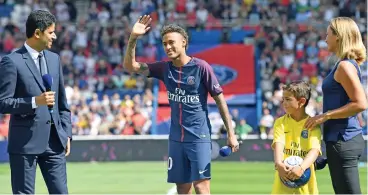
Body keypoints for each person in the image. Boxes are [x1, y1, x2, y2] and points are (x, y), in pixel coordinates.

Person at [123, 15, 239, 194]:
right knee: (182, 188)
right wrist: (133, 38)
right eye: (164, 44)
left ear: (184, 42)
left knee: (201, 186)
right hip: (176, 139)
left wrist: (231, 134)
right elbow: (130, 66)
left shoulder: (201, 67)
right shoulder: (163, 68)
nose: (168, 47)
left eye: (171, 42)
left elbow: (220, 99)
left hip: (198, 138)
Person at [0, 10, 72, 194]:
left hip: (55, 143)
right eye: (51, 32)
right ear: (37, 33)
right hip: (25, 144)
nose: (55, 36)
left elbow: (62, 104)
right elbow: (3, 103)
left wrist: (66, 133)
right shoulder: (11, 61)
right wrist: (34, 101)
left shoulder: (54, 60)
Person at [304, 17, 367, 194]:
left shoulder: (345, 66)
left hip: (343, 139)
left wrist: (325, 116)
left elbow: (361, 103)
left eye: (328, 34)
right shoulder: (345, 64)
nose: (325, 39)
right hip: (341, 138)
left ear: (339, 36)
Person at [271, 81, 321, 194]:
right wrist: (279, 163)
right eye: (283, 99)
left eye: (288, 99)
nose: (284, 103)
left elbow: (315, 150)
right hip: (282, 186)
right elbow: (278, 143)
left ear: (301, 101)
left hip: (307, 187)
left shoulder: (312, 125)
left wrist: (302, 168)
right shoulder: (280, 122)